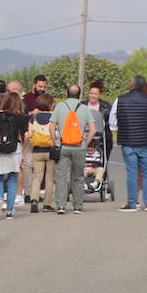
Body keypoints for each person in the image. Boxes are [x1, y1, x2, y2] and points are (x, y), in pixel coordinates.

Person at [110, 75, 147, 212]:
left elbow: (112, 120)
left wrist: (118, 129)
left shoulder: (120, 100)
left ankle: (132, 203)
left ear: (131, 85)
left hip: (127, 140)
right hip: (144, 140)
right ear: (143, 87)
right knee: (146, 172)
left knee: (131, 171)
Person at [50, 84, 96, 215]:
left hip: (62, 147)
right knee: (78, 177)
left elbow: (52, 127)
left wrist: (55, 142)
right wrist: (85, 144)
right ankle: (78, 206)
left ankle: (61, 205)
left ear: (67, 93)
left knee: (61, 177)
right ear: (80, 95)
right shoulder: (84, 108)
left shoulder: (59, 106)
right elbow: (93, 130)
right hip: (79, 147)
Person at [0, 92, 27, 219]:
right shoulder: (20, 117)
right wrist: (23, 149)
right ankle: (10, 210)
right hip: (14, 150)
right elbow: (25, 135)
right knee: (12, 179)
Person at [26, 93, 57, 213]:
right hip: (50, 150)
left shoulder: (33, 118)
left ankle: (34, 199)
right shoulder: (54, 117)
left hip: (37, 150)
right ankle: (47, 204)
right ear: (50, 104)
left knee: (37, 177)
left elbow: (30, 134)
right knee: (49, 178)